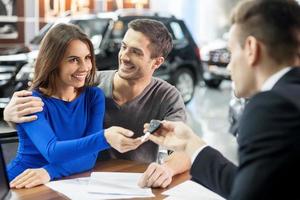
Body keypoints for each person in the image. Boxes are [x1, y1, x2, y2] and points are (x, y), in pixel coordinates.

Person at [139, 0, 300, 199]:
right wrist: (191, 144)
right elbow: (258, 187)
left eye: (231, 53)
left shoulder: (273, 107)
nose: (230, 66)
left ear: (251, 48)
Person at [3, 19, 190, 188]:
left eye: (136, 52)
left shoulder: (94, 93)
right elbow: (49, 144)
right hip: (53, 180)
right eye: (123, 46)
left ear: (156, 63)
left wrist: (167, 169)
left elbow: (185, 150)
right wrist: (8, 115)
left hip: (119, 182)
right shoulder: (88, 83)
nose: (124, 56)